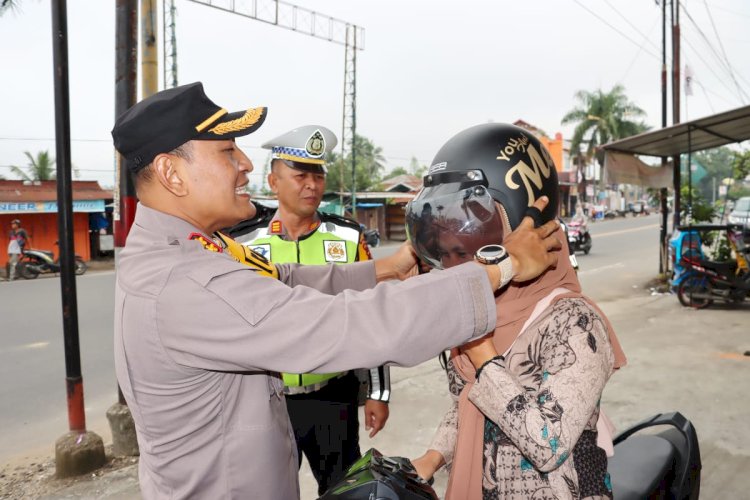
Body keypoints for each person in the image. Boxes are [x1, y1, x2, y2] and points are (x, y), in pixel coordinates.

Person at [110, 82, 561, 499]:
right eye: (228, 151)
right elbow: (340, 328)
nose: (245, 163)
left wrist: (386, 268)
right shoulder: (185, 284)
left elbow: (283, 280)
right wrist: (500, 269)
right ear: (172, 173)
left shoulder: (184, 251)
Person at [406, 123, 627, 500]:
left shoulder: (574, 321)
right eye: (447, 254)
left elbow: (549, 443)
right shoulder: (486, 305)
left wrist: (482, 351)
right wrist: (433, 457)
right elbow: (467, 402)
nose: (458, 268)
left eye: (465, 250)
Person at [226, 125, 390, 495]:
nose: (312, 185)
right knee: (269, 489)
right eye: (300, 175)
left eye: (318, 175)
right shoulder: (243, 242)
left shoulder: (349, 238)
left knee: (343, 489)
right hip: (268, 399)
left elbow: (372, 317)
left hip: (333, 397)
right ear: (273, 181)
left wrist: (378, 393)